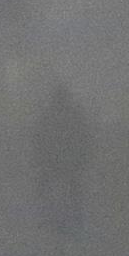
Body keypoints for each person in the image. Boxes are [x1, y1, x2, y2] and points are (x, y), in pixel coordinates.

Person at [29, 83, 95, 243]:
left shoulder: (48, 114)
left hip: (53, 158)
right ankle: (74, 216)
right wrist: (83, 157)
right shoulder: (75, 114)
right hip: (69, 158)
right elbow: (84, 136)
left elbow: (39, 137)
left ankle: (47, 215)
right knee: (72, 188)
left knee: (48, 186)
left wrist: (39, 156)